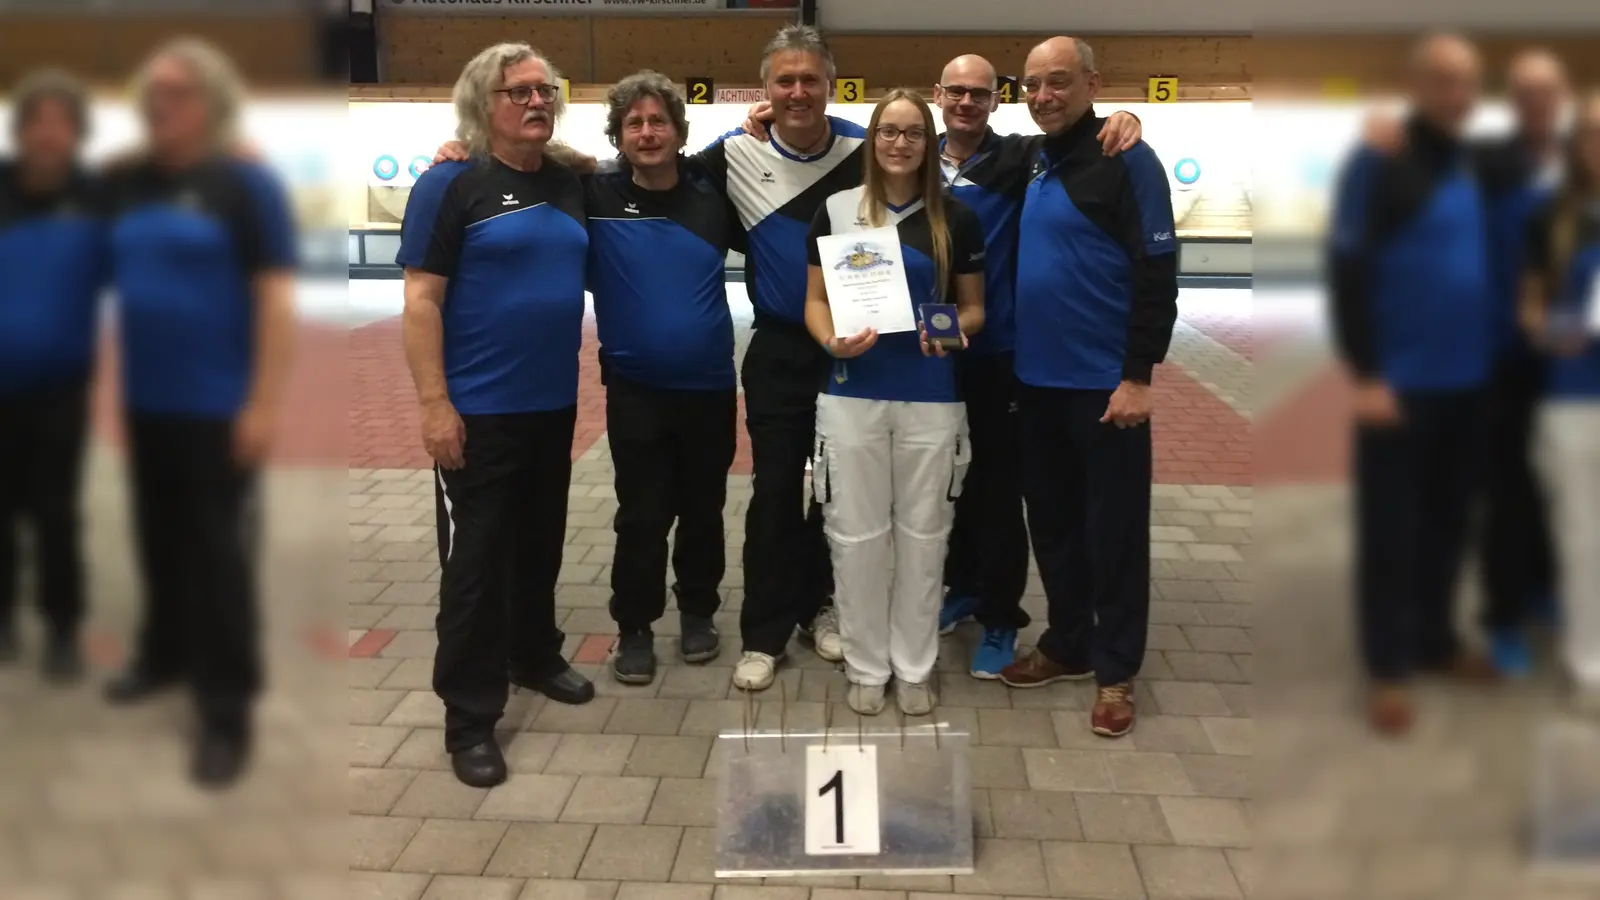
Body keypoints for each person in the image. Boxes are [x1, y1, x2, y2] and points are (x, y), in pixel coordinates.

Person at [740, 60, 1143, 679]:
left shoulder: (1019, 158)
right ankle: (954, 593)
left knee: (992, 493)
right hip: (891, 374)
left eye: (980, 93)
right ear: (938, 97)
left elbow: (1074, 136)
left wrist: (1123, 117)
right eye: (955, 91)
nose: (966, 102)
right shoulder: (858, 186)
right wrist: (764, 117)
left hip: (990, 359)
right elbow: (820, 129)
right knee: (912, 504)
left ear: (995, 101)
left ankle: (1000, 615)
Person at [96, 38, 297, 787]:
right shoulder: (132, 183)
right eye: (151, 93)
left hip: (220, 408)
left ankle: (225, 711)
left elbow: (274, 300)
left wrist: (262, 404)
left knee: (217, 561)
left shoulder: (244, 185)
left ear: (210, 103)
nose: (160, 105)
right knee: (158, 540)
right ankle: (163, 656)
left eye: (176, 93)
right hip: (148, 402)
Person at [398, 42, 596, 789]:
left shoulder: (567, 179)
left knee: (539, 545)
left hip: (551, 404)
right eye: (520, 92)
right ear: (483, 104)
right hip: (476, 414)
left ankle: (534, 656)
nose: (538, 101)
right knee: (476, 570)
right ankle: (470, 719)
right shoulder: (449, 183)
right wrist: (434, 405)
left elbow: (642, 163)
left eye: (546, 90)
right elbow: (421, 302)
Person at [1363, 48, 1572, 674]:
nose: (1537, 104)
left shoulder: (1579, 164)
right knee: (1507, 488)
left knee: (1563, 481)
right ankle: (1504, 612)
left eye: (1547, 92)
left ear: (1562, 99)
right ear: (1512, 101)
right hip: (1499, 356)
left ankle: (1547, 587)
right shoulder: (1484, 162)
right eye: (1525, 93)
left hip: (1575, 359)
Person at [996, 37, 1179, 741]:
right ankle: (1068, 644)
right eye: (1032, 85)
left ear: (1091, 84)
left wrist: (1138, 376)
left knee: (1115, 535)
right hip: (1036, 383)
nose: (1043, 96)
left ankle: (1116, 670)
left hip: (1106, 389)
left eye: (1058, 82)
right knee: (1055, 526)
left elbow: (1158, 272)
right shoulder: (1034, 158)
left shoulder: (1127, 158)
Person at [1327, 34, 1497, 735]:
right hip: (1399, 383)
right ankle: (1390, 667)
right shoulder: (1378, 160)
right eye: (1444, 81)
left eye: (1467, 83)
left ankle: (1436, 641)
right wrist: (1367, 373)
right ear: (1419, 86)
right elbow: (1347, 267)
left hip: (1468, 379)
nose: (1457, 95)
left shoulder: (1472, 163)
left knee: (1449, 523)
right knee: (1391, 530)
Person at [803, 88, 987, 715]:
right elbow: (816, 300)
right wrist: (830, 340)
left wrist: (953, 332)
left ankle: (913, 666)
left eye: (913, 133)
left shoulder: (956, 218)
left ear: (929, 143)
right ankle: (865, 665)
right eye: (888, 131)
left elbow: (974, 308)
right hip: (851, 395)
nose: (900, 143)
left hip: (931, 398)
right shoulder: (836, 210)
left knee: (924, 538)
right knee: (855, 537)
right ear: (873, 139)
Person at [585, 72, 742, 683]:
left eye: (659, 122)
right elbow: (529, 162)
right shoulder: (594, 193)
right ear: (618, 136)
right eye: (635, 123)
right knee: (642, 516)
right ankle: (635, 626)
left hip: (709, 387)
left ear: (679, 132)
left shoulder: (712, 192)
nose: (647, 133)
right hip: (636, 392)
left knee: (704, 510)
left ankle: (698, 612)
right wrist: (460, 151)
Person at [0, 68, 104, 683]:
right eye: (37, 121)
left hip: (61, 389)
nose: (47, 133)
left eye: (61, 122)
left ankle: (62, 627)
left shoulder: (98, 199)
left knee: (55, 513)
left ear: (76, 133)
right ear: (21, 130)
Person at [1520, 88, 1600, 702]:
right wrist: (1554, 332)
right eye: (1593, 133)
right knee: (1583, 536)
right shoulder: (1553, 215)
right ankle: (1589, 664)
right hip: (1577, 398)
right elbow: (1529, 308)